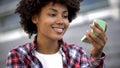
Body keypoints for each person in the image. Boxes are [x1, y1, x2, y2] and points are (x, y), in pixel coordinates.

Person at [6, 0, 108, 68]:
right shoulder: (19, 55)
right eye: (53, 14)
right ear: (35, 18)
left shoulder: (77, 53)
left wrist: (96, 54)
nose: (61, 21)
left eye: (65, 16)